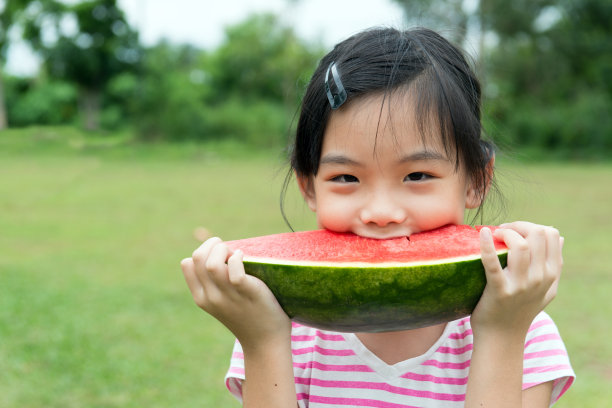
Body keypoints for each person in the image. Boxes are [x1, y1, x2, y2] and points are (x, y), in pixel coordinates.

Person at [180, 27, 575, 407]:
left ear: (475, 181)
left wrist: (502, 333)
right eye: (346, 177)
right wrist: (263, 341)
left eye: (417, 175)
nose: (381, 213)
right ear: (309, 187)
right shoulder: (277, 327)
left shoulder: (524, 330)